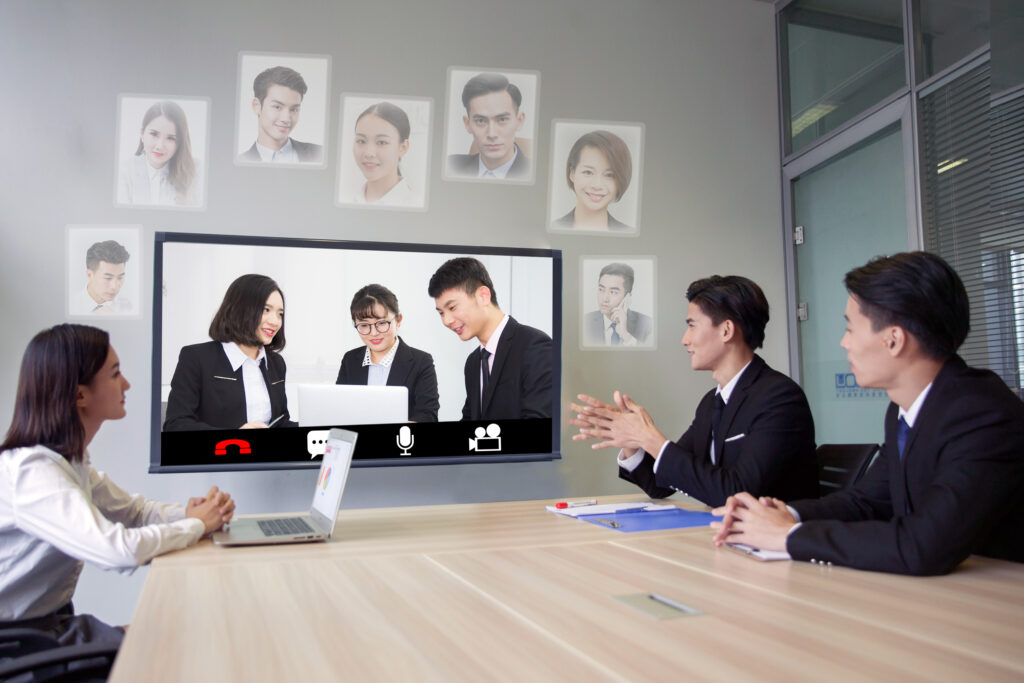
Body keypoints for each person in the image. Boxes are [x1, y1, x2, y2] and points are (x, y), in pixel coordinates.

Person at [711, 252, 1024, 575]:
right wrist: (785, 513)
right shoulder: (906, 409)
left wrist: (789, 537)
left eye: (851, 329)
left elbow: (924, 545)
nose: (844, 343)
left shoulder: (982, 415)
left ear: (894, 340)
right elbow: (867, 502)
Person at [0, 324, 234, 645]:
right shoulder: (33, 474)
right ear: (79, 394)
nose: (127, 383)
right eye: (115, 374)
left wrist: (189, 514)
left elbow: (134, 512)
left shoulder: (70, 462)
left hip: (49, 622)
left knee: (178, 635)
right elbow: (116, 551)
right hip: (16, 639)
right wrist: (195, 524)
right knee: (173, 643)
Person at [570, 275, 818, 508]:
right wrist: (633, 442)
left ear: (726, 331)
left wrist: (650, 438)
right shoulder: (712, 402)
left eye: (692, 326)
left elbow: (740, 494)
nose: (684, 339)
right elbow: (661, 485)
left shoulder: (779, 398)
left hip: (778, 548)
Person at [164, 274, 295, 431]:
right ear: (241, 309)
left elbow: (280, 422)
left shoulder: (276, 363)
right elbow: (176, 425)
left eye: (280, 314)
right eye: (266, 310)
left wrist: (321, 426)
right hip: (222, 453)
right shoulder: (196, 358)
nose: (275, 321)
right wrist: (235, 436)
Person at [429, 257, 552, 420]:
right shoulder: (473, 362)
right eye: (441, 312)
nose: (447, 320)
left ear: (483, 296)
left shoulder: (535, 347)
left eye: (452, 307)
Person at [336, 284, 439, 422]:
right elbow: (339, 408)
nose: (374, 333)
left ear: (398, 320)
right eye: (364, 325)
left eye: (382, 323)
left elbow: (427, 417)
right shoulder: (350, 360)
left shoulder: (421, 362)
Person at [117, 100, 201, 206]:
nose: (160, 146)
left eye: (170, 138)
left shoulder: (197, 171)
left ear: (180, 141)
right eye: (154, 134)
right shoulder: (124, 171)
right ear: (142, 134)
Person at [447, 73, 530, 180]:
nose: (492, 134)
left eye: (502, 119)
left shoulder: (538, 174)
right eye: (481, 121)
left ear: (519, 121)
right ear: (467, 124)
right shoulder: (450, 166)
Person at [240, 66, 322, 164]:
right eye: (277, 107)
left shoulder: (320, 154)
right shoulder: (239, 163)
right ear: (257, 106)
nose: (286, 118)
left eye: (294, 109)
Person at [552, 130, 632, 231]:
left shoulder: (627, 233)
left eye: (609, 175)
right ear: (572, 173)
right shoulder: (553, 228)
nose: (597, 185)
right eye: (588, 172)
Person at [344, 102, 415, 206]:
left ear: (403, 148)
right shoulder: (345, 198)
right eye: (361, 141)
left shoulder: (414, 204)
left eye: (382, 142)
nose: (369, 153)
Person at [583, 262, 652, 346]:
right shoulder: (584, 322)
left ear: (628, 297)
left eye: (613, 292)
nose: (605, 299)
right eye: (601, 289)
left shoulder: (647, 325)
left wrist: (626, 335)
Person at [71, 240, 133, 315]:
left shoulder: (129, 308)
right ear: (89, 275)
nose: (114, 286)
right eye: (108, 278)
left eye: (120, 277)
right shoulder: (72, 307)